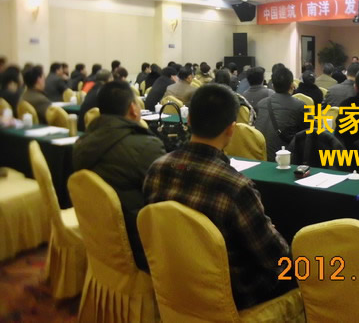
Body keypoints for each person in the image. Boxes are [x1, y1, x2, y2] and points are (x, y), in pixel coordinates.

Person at [144, 84, 291, 309]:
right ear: (231, 129)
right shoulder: (234, 186)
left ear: (188, 120)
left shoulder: (156, 169)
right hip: (231, 295)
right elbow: (274, 256)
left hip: (174, 283)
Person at [73, 81, 165, 271]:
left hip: (99, 236)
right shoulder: (145, 147)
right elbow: (166, 195)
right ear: (133, 108)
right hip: (138, 247)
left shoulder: (82, 142)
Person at [255, 67, 306, 161]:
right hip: (285, 158)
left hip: (260, 156)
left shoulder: (260, 104)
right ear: (292, 85)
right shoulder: (300, 105)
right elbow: (313, 130)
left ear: (273, 86)